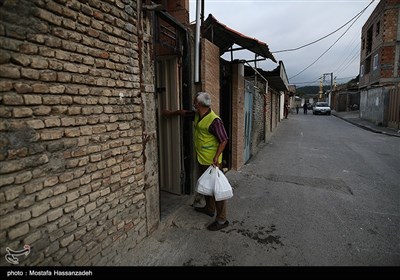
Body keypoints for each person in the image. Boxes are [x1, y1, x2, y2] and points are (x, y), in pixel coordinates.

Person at [162, 92, 229, 231]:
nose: (193, 103)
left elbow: (224, 140)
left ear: (199, 104)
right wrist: (170, 113)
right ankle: (209, 209)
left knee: (217, 190)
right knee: (207, 185)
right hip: (202, 158)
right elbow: (183, 113)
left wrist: (216, 157)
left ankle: (222, 220)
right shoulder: (198, 114)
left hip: (213, 161)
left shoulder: (214, 120)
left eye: (194, 101)